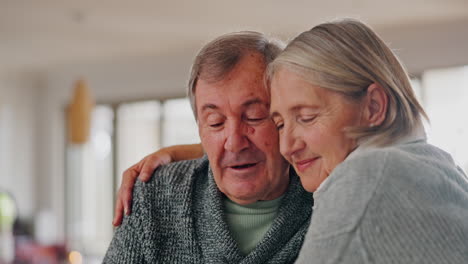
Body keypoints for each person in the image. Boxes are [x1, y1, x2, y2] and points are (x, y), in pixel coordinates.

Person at [115, 19, 468, 263]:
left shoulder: (356, 181)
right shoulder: (440, 168)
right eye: (214, 122)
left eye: (258, 117)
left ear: (374, 105)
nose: (287, 145)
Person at [104, 31, 313, 263]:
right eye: (215, 122)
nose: (234, 142)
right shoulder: (152, 197)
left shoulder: (328, 196)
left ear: (284, 118)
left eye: (254, 116)